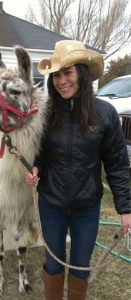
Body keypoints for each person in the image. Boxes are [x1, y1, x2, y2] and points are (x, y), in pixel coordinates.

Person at [25, 40, 131, 300]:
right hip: (51, 203)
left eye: (68, 72)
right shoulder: (46, 113)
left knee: (81, 268)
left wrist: (126, 209)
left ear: (81, 74)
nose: (62, 80)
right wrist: (35, 168)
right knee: (53, 264)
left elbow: (117, 165)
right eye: (57, 75)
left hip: (87, 207)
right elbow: (38, 152)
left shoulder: (105, 114)